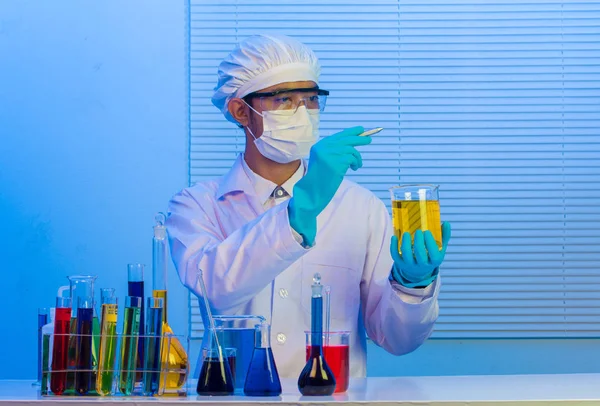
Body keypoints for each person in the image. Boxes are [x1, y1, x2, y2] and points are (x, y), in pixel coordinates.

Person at [166, 34, 451, 378]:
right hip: (235, 398)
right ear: (241, 110)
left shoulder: (361, 208)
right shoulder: (197, 205)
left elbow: (397, 340)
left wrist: (412, 285)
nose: (303, 112)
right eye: (284, 99)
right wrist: (299, 213)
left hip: (335, 400)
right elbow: (215, 287)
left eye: (311, 99)